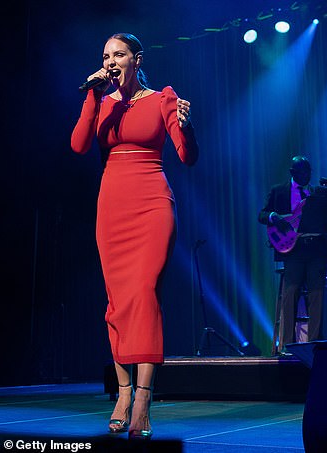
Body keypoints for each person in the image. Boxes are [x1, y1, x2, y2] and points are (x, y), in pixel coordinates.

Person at [71, 32, 199, 439]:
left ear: (136, 59)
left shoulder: (162, 98)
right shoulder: (103, 102)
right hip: (112, 207)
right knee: (118, 302)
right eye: (106, 55)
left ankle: (143, 399)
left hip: (151, 203)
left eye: (119, 54)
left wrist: (187, 127)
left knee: (143, 293)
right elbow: (78, 145)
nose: (111, 61)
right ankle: (122, 393)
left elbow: (187, 156)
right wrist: (92, 96)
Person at [258, 156, 327, 354]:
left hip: (315, 248)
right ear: (293, 173)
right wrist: (275, 217)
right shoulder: (278, 191)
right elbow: (262, 215)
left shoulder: (316, 193)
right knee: (291, 295)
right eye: (303, 172)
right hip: (292, 250)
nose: (307, 176)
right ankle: (288, 346)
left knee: (317, 295)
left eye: (309, 172)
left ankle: (315, 344)